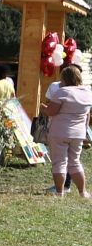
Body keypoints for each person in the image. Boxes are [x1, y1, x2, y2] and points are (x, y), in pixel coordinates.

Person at [42, 63, 91, 197]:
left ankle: (60, 191)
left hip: (59, 131)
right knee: (75, 162)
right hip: (78, 133)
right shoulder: (88, 92)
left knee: (59, 162)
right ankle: (83, 191)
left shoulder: (62, 92)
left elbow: (51, 112)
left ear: (65, 78)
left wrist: (42, 108)